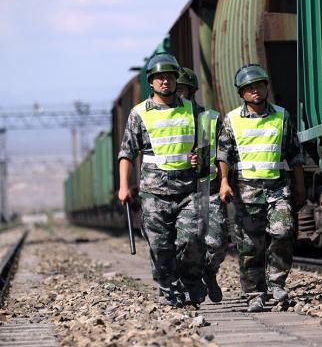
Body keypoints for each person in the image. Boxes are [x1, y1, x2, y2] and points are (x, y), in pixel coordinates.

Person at [117, 53, 206, 307]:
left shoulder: (192, 110)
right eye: (159, 78)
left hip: (188, 189)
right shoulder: (139, 114)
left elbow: (207, 144)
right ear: (151, 82)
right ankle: (168, 288)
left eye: (169, 77)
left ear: (176, 79)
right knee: (160, 246)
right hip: (154, 192)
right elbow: (126, 152)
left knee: (190, 239)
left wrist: (199, 158)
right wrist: (124, 186)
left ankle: (190, 279)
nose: (164, 82)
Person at [217, 64, 305, 312]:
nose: (255, 90)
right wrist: (224, 182)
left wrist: (300, 185)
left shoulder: (282, 116)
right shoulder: (232, 120)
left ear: (267, 87)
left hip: (278, 189)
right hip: (246, 191)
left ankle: (276, 282)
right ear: (242, 93)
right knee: (249, 245)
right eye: (249, 88)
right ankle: (254, 293)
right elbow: (223, 155)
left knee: (284, 232)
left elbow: (294, 153)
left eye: (259, 85)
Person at [177, 67, 226, 303]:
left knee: (216, 242)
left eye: (183, 90)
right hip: (180, 192)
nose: (179, 94)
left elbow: (225, 152)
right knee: (187, 242)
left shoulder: (209, 119)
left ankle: (210, 272)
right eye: (176, 90)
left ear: (192, 91)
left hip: (210, 189)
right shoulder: (167, 121)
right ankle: (190, 282)